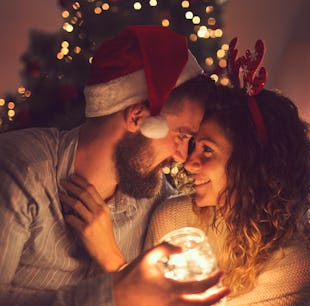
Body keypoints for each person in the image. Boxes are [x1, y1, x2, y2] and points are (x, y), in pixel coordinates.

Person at [60, 39, 310, 305]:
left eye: (207, 150)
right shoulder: (174, 219)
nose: (188, 163)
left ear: (252, 164)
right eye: (192, 145)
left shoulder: (299, 265)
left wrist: (112, 261)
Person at [0, 25, 229, 306]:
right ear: (137, 117)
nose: (183, 156)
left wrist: (117, 267)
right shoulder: (18, 169)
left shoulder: (159, 205)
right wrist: (117, 293)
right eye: (181, 135)